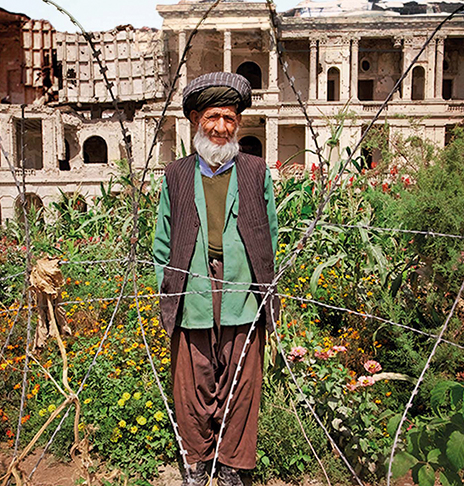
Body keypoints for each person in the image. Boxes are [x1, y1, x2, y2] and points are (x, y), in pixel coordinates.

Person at [153, 72, 279, 486]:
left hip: (243, 288)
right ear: (195, 120)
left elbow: (270, 233)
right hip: (193, 289)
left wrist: (264, 282)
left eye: (229, 118)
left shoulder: (256, 170)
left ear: (237, 124)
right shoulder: (175, 174)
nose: (222, 127)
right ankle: (197, 460)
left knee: (241, 381)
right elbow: (163, 239)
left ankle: (230, 465)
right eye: (212, 117)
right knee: (193, 382)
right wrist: (169, 289)